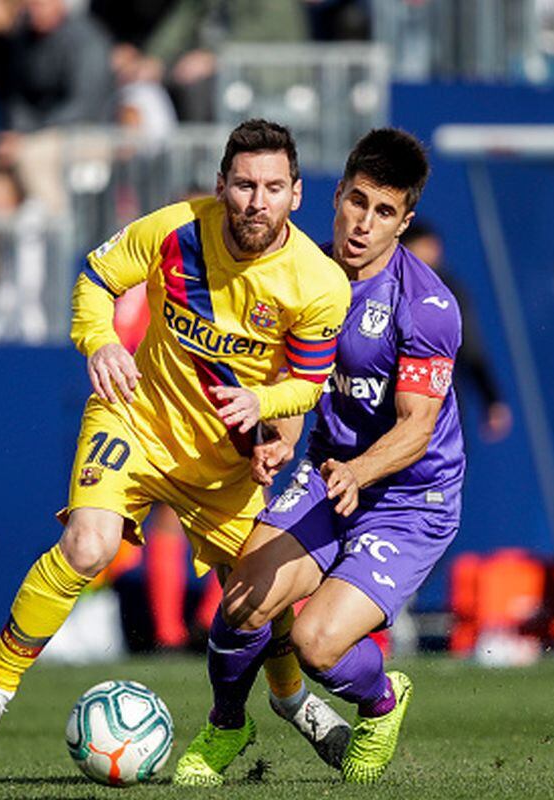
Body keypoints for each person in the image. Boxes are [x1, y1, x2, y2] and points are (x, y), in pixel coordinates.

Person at [0, 119, 353, 768]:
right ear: (221, 185)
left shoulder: (318, 282)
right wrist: (101, 339)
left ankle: (289, 698)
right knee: (88, 544)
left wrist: (270, 420)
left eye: (274, 187)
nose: (257, 201)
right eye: (244, 185)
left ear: (297, 195)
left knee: (260, 594)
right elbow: (93, 279)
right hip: (136, 421)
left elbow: (305, 384)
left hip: (224, 461)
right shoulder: (174, 231)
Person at [177, 128, 463, 785]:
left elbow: (417, 427)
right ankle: (227, 724)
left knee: (315, 644)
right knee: (244, 600)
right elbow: (302, 380)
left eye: (384, 212)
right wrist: (277, 438)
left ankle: (381, 700)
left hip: (407, 502)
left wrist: (359, 472)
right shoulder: (298, 275)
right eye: (357, 201)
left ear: (405, 221)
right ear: (335, 195)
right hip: (327, 470)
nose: (363, 224)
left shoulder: (425, 307)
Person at [401, 221, 512, 442]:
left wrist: (491, 398)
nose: (430, 255)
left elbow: (471, 349)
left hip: (437, 411)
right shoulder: (383, 288)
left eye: (432, 248)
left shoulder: (449, 295)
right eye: (421, 248)